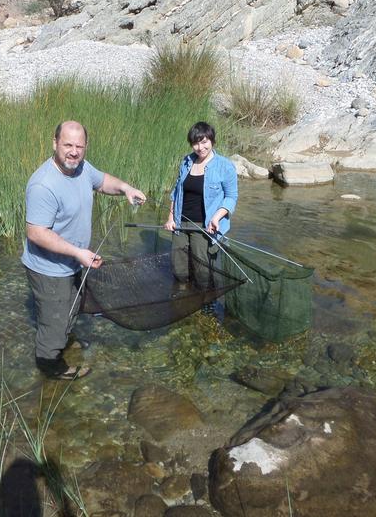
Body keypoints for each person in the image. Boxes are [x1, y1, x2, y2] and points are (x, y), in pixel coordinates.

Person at [22, 120, 146, 380]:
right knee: (54, 319)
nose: (74, 152)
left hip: (74, 262)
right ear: (55, 143)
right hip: (49, 269)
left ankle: (62, 341)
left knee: (73, 306)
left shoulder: (81, 168)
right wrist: (78, 252)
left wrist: (125, 188)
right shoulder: (43, 184)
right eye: (68, 145)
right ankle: (50, 365)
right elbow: (36, 233)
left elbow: (102, 181)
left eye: (79, 146)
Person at [163, 121, 238, 310]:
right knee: (178, 267)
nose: (200, 147)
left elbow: (231, 197)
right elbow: (176, 192)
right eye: (196, 143)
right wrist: (171, 217)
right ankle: (182, 296)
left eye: (204, 142)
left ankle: (204, 304)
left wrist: (217, 217)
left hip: (204, 226)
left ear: (212, 140)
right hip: (180, 223)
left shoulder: (224, 166)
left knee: (202, 271)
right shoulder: (187, 161)